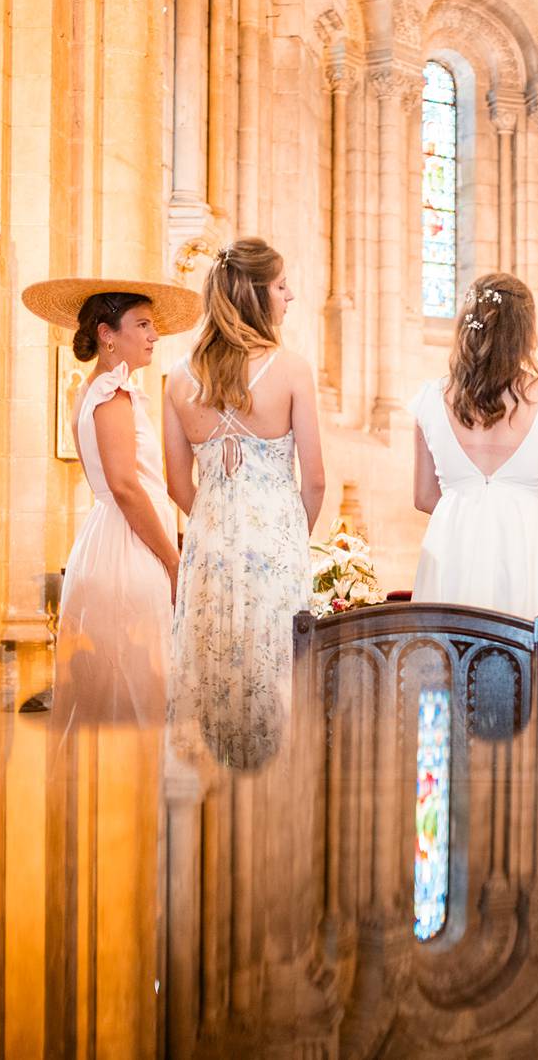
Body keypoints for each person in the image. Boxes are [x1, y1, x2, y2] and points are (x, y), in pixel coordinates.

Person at [164, 238, 325, 768]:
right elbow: (316, 480)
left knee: (213, 671)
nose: (291, 296)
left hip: (209, 546)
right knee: (273, 676)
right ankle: (273, 804)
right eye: (281, 286)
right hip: (277, 546)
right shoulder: (292, 369)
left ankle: (212, 811)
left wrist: (216, 517)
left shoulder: (177, 379)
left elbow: (176, 484)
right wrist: (287, 534)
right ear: (258, 294)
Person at [21, 277, 202, 729]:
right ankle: (129, 788)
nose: (153, 336)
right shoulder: (111, 394)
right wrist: (174, 561)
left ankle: (111, 788)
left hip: (110, 542)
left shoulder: (95, 390)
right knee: (135, 688)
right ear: (107, 334)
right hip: (128, 549)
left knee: (114, 688)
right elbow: (124, 487)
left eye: (153, 326)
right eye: (141, 325)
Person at [410, 273, 538, 719]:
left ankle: (451, 774)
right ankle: (530, 775)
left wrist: (470, 513)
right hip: (530, 548)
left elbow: (422, 495)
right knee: (528, 673)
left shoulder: (430, 399)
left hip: (451, 544)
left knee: (451, 669)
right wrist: (523, 519)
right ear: (527, 330)